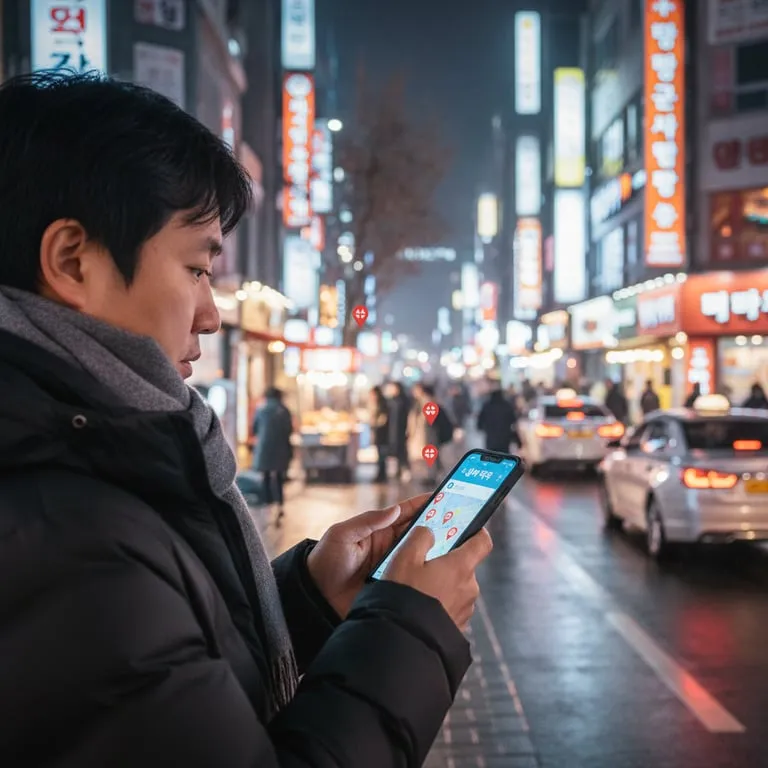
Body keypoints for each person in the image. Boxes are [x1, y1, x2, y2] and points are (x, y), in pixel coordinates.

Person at [0, 72, 494, 766]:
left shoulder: (84, 466)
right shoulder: (65, 542)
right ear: (72, 261)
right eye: (198, 267)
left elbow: (172, 681)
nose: (211, 312)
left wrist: (311, 598)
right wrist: (410, 626)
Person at [252, 387, 293, 522]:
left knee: (266, 476)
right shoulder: (284, 410)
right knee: (280, 477)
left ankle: (266, 504)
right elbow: (289, 430)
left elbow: (255, 428)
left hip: (264, 448)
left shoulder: (261, 409)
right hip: (281, 448)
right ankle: (280, 505)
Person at [477, 388, 518, 453]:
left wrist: (483, 428)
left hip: (491, 439)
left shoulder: (487, 406)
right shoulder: (506, 405)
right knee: (504, 457)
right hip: (504, 439)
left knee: (491, 457)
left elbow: (480, 422)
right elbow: (513, 420)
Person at [388, 381, 411, 481]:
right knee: (394, 451)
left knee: (402, 451)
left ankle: (404, 469)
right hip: (392, 431)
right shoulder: (391, 401)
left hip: (402, 430)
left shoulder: (404, 401)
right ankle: (396, 470)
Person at [368, 385, 389, 482]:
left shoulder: (382, 405)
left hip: (382, 434)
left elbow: (382, 420)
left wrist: (375, 424)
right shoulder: (377, 404)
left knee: (381, 455)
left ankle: (381, 475)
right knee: (380, 454)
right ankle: (381, 474)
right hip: (379, 433)